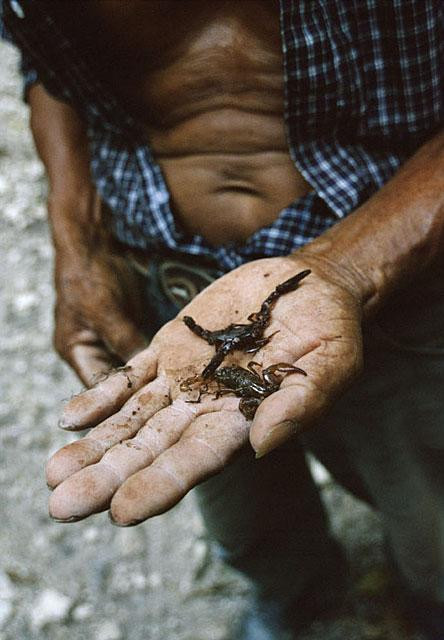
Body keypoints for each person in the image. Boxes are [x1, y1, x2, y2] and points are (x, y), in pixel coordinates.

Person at [2, 1, 444, 637]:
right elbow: (42, 57)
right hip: (164, 264)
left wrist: (349, 266)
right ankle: (292, 601)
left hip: (403, 268)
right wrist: (73, 240)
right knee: (240, 511)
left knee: (429, 512)